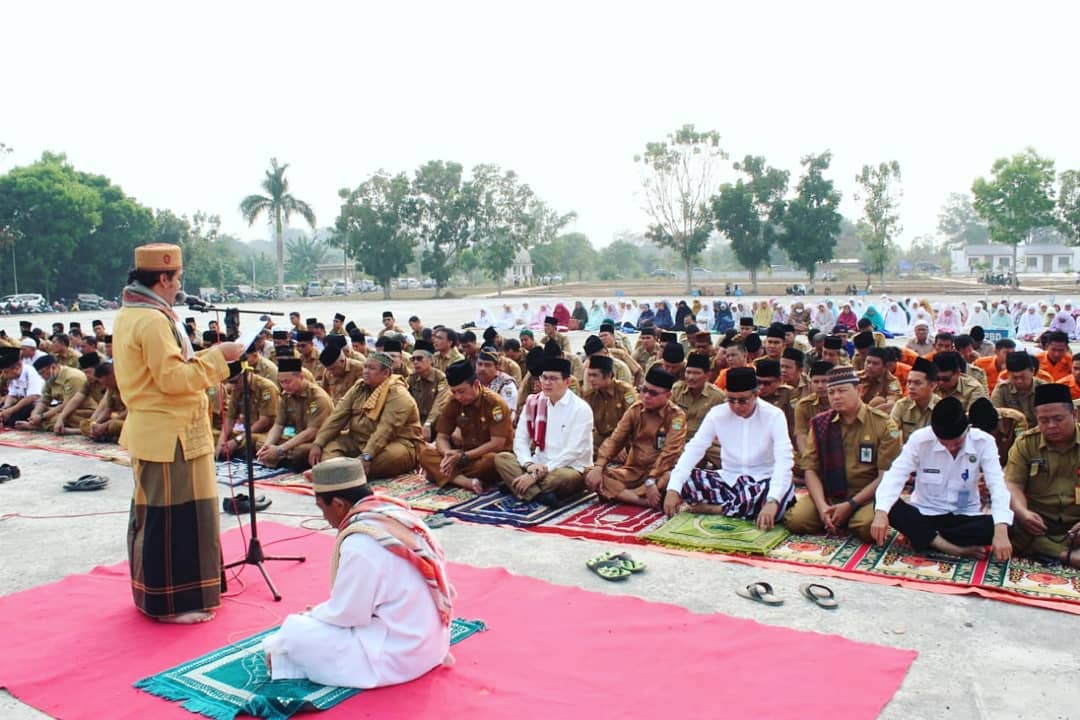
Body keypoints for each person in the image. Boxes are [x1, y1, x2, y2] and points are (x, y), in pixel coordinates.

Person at [112, 243, 244, 624]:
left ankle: (187, 592)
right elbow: (172, 379)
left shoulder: (135, 313)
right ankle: (171, 604)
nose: (179, 287)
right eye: (177, 280)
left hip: (172, 432)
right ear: (163, 278)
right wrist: (221, 358)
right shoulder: (152, 320)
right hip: (168, 435)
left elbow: (176, 367)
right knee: (172, 522)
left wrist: (214, 357)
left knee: (184, 516)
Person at [262, 457, 452, 688]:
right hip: (431, 643)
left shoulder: (362, 542)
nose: (324, 517)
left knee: (293, 631)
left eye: (323, 508)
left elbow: (349, 614)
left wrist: (315, 615)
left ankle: (284, 663)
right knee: (303, 630)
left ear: (339, 504)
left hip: (400, 655)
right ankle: (288, 661)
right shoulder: (398, 514)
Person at [872, 397, 1013, 561]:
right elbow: (895, 475)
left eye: (957, 443)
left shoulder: (984, 442)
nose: (951, 448)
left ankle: (928, 539)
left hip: (964, 517)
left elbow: (998, 485)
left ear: (968, 429)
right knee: (883, 503)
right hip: (925, 513)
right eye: (945, 444)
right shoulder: (920, 440)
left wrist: (1001, 530)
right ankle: (951, 548)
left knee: (1008, 524)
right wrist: (881, 513)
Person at [664, 367, 792, 528]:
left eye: (742, 400)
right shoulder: (717, 414)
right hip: (729, 480)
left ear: (756, 394)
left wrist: (773, 500)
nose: (736, 406)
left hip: (762, 480)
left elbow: (784, 460)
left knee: (775, 494)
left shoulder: (774, 416)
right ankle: (736, 507)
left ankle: (715, 509)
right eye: (731, 400)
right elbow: (695, 448)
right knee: (680, 481)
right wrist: (673, 489)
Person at [494, 357, 593, 505]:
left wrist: (535, 475)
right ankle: (539, 495)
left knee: (561, 479)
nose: (547, 383)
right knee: (501, 458)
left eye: (553, 379)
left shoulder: (580, 409)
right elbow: (520, 439)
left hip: (568, 467)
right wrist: (528, 465)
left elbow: (574, 451)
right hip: (537, 464)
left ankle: (518, 486)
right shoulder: (533, 402)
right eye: (544, 378)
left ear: (567, 382)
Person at [310, 353, 422, 480]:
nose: (366, 372)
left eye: (371, 368)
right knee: (329, 449)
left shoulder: (399, 394)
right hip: (357, 439)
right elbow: (337, 417)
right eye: (365, 367)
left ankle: (336, 473)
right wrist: (318, 443)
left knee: (390, 457)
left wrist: (367, 455)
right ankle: (342, 472)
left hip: (394, 444)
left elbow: (386, 431)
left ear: (385, 373)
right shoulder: (359, 387)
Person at [587, 367, 686, 508]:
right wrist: (599, 466)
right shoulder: (635, 410)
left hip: (660, 473)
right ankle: (641, 500)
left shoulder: (676, 416)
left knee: (671, 479)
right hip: (634, 471)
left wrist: (651, 479)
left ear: (668, 395)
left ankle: (623, 494)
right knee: (591, 474)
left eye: (653, 393)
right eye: (644, 390)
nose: (646, 396)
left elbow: (670, 453)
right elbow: (615, 440)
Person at [1004, 383, 1080, 567]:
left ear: (1074, 415)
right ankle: (1065, 555)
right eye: (1044, 420)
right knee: (1006, 520)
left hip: (1076, 522)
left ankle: (1053, 552)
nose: (1051, 426)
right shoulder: (1026, 443)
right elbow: (1013, 485)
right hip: (1038, 523)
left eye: (1058, 419)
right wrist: (1023, 513)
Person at [419, 361, 512, 492]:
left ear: (475, 384)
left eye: (461, 391)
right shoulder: (453, 401)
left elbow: (497, 444)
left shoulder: (494, 404)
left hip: (483, 456)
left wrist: (464, 457)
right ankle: (465, 481)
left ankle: (443, 475)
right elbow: (442, 437)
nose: (458, 396)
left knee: (491, 461)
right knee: (426, 453)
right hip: (463, 456)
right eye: (454, 392)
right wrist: (448, 455)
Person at [256, 358, 334, 472]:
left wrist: (280, 449)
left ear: (301, 377)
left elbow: (311, 432)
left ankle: (282, 460)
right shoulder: (286, 396)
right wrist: (267, 446)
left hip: (318, 442)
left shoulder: (318, 397)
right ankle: (277, 458)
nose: (284, 386)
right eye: (281, 382)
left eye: (288, 381)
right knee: (260, 442)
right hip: (298, 438)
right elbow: (278, 425)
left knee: (299, 451)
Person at [15, 355, 96, 434]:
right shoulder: (50, 378)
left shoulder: (73, 377)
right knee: (34, 409)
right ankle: (39, 424)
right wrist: (35, 414)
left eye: (43, 373)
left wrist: (42, 416)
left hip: (82, 410)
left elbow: (68, 404)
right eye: (40, 374)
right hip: (64, 408)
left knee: (60, 417)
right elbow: (44, 401)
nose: (43, 377)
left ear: (53, 367)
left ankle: (38, 427)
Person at [215, 361, 280, 459]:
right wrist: (221, 444)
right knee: (213, 438)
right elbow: (229, 419)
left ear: (246, 374)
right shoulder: (237, 389)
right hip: (246, 430)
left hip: (267, 432)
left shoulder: (266, 388)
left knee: (253, 442)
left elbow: (265, 421)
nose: (233, 386)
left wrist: (237, 440)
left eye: (235, 382)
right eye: (230, 382)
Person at [671, 354, 726, 468]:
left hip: (705, 443)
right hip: (678, 440)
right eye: (688, 372)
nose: (690, 377)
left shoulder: (717, 396)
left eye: (696, 373)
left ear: (707, 375)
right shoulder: (676, 390)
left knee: (730, 459)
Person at [407, 340, 450, 441]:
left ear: (431, 360)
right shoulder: (412, 378)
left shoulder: (441, 378)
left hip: (436, 422)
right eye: (413, 359)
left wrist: (428, 424)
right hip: (417, 422)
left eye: (419, 358)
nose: (415, 362)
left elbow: (439, 405)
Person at [990, 351, 1045, 426]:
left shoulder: (1044, 388)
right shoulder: (1002, 390)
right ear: (1008, 374)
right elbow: (995, 416)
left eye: (1023, 377)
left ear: (1032, 371)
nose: (1019, 381)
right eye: (1014, 377)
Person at [890, 357, 938, 440]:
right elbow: (892, 431)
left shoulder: (941, 407)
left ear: (932, 386)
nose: (911, 387)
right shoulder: (902, 405)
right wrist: (895, 439)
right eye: (909, 382)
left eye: (917, 383)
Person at [81, 361, 126, 442]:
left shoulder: (128, 385)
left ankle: (108, 436)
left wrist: (106, 424)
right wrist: (95, 424)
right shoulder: (111, 389)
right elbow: (108, 410)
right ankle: (106, 436)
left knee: (113, 425)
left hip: (129, 420)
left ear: (112, 376)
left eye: (106, 384)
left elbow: (131, 411)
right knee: (85, 424)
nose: (105, 387)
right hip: (116, 418)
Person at [0, 345, 45, 427]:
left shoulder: (30, 371)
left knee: (14, 418)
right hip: (23, 403)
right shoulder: (13, 377)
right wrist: (6, 407)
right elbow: (12, 395)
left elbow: (33, 396)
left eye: (6, 372)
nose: (3, 375)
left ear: (16, 368)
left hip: (39, 403)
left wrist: (11, 410)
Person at [858, 347, 902, 413]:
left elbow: (891, 405)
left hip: (875, 416)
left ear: (885, 367)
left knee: (879, 400)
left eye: (875, 364)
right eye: (868, 362)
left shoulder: (892, 382)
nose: (869, 366)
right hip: (855, 411)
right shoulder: (856, 376)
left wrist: (867, 414)